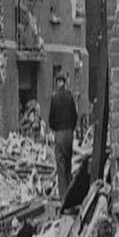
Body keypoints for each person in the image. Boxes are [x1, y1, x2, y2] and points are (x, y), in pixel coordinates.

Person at [47, 74, 78, 202]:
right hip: (69, 133)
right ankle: (70, 195)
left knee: (60, 165)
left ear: (57, 83)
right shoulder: (70, 96)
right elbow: (75, 116)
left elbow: (51, 120)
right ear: (64, 83)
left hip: (59, 134)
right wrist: (71, 128)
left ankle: (63, 197)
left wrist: (55, 128)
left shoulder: (54, 98)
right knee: (68, 164)